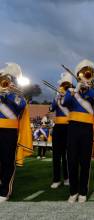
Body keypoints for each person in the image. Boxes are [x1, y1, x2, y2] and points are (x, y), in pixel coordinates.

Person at [62, 59, 94, 203]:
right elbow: (64, 102)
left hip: (87, 128)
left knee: (85, 161)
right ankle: (73, 191)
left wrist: (90, 89)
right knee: (72, 160)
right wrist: (76, 89)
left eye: (88, 75)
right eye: (84, 75)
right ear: (79, 76)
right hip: (73, 127)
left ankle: (83, 191)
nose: (86, 78)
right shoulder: (72, 91)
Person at [0, 63, 27, 203]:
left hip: (9, 131)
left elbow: (22, 105)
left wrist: (9, 94)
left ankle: (5, 191)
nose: (5, 83)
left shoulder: (16, 94)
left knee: (7, 161)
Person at [49, 72, 73, 189]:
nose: (64, 88)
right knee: (57, 155)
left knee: (67, 155)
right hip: (58, 127)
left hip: (69, 127)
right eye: (63, 86)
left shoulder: (72, 96)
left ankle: (67, 177)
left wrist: (67, 94)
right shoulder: (57, 97)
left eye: (67, 86)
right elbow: (51, 108)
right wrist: (57, 97)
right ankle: (56, 179)